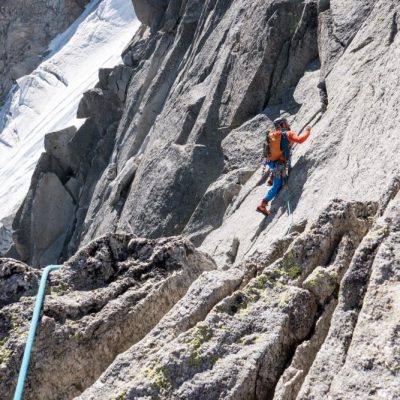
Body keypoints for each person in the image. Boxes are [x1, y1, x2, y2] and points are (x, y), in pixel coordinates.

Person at [257, 117, 311, 216]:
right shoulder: (288, 134)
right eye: (286, 123)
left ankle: (272, 177)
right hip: (280, 165)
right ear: (282, 125)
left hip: (272, 163)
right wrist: (308, 131)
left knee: (277, 174)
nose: (288, 124)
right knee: (277, 186)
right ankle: (263, 204)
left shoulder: (273, 136)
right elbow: (300, 140)